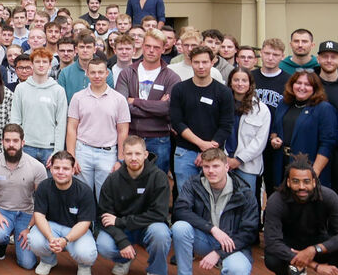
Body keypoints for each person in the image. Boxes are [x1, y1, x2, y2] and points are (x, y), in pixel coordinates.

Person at [263, 155, 338, 275]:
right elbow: (272, 241)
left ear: (314, 182)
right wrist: (315, 265)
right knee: (272, 257)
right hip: (287, 243)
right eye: (296, 181)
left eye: (306, 181)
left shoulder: (329, 197)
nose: (302, 187)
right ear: (288, 182)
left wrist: (314, 250)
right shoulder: (276, 201)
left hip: (316, 242)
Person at [170, 147, 259, 275]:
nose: (211, 171)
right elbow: (180, 210)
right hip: (205, 237)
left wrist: (219, 253)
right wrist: (212, 229)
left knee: (238, 272)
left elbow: (249, 232)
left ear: (226, 167)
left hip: (231, 243)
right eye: (206, 166)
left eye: (216, 166)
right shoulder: (194, 183)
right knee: (179, 228)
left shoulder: (244, 192)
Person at [93, 136, 171, 275]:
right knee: (103, 244)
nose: (133, 158)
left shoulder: (158, 177)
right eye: (129, 154)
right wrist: (122, 241)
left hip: (148, 227)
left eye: (137, 153)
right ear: (123, 155)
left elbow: (159, 214)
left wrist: (121, 221)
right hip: (124, 230)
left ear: (145, 154)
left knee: (161, 233)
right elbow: (104, 215)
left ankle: (155, 273)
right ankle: (124, 259)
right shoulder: (112, 180)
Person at [114, 28, 179, 177]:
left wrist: (135, 101)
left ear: (163, 49)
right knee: (130, 183)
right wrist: (156, 106)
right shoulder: (128, 73)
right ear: (142, 46)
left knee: (157, 183)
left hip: (159, 139)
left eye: (156, 47)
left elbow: (167, 109)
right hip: (131, 137)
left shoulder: (171, 77)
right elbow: (122, 106)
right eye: (148, 46)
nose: (151, 50)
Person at [169, 46, 234, 190]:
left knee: (213, 197)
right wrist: (201, 144)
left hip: (215, 153)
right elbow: (177, 122)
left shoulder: (224, 92)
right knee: (186, 197)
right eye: (196, 62)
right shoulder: (179, 89)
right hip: (185, 152)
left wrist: (208, 150)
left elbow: (226, 124)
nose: (200, 66)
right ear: (191, 63)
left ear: (212, 62)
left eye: (205, 62)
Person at [0, 124, 48, 268]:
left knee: (27, 264)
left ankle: (19, 238)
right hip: (3, 211)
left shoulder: (37, 167)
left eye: (15, 141)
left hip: (26, 213)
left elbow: (42, 202)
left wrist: (30, 227)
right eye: (7, 140)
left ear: (22, 143)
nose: (11, 145)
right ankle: (2, 243)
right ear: (2, 142)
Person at [28, 150, 98, 275]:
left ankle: (84, 266)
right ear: (51, 169)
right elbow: (39, 215)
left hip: (75, 228)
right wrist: (50, 238)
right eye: (57, 168)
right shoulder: (44, 187)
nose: (60, 172)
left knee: (87, 254)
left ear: (73, 170)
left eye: (66, 168)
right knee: (34, 240)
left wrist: (65, 240)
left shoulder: (84, 191)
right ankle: (48, 260)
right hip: (52, 227)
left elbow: (84, 223)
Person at [65, 57, 130, 195]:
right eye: (93, 72)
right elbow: (71, 128)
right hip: (83, 151)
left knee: (106, 196)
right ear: (87, 73)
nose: (97, 76)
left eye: (100, 72)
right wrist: (72, 156)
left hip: (107, 153)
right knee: (82, 195)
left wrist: (121, 159)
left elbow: (123, 131)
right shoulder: (77, 97)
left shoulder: (119, 99)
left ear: (107, 74)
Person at [269, 70, 337, 188]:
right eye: (298, 83)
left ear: (315, 88)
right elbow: (275, 129)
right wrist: (274, 139)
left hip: (307, 170)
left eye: (307, 84)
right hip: (282, 166)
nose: (302, 87)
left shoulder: (324, 108)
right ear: (292, 85)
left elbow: (327, 144)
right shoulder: (283, 104)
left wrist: (313, 173)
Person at [10, 47, 67, 165]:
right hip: (26, 146)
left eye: (45, 62)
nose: (41, 65)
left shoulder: (58, 90)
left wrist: (57, 151)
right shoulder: (21, 89)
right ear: (32, 64)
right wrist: (16, 145)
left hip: (49, 149)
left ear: (50, 65)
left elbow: (61, 123)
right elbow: (15, 120)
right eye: (37, 61)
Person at [226, 68, 271, 197]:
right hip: (223, 161)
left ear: (250, 84)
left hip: (247, 165)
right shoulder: (222, 104)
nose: (240, 84)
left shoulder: (261, 110)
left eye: (244, 80)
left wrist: (239, 160)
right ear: (230, 82)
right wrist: (225, 158)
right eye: (236, 80)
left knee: (246, 203)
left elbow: (260, 142)